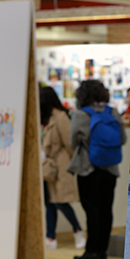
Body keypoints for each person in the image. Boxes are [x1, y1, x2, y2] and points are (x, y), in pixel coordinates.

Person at [68, 79, 126, 259]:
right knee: (106, 209)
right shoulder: (112, 112)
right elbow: (123, 139)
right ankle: (102, 251)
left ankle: (91, 251)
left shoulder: (80, 115)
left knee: (91, 209)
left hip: (88, 168)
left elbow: (72, 143)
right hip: (111, 168)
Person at [40, 86, 85, 250]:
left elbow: (69, 143)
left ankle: (78, 230)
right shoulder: (45, 118)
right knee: (49, 203)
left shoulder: (60, 117)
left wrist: (72, 165)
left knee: (61, 202)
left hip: (60, 166)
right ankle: (50, 237)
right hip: (47, 167)